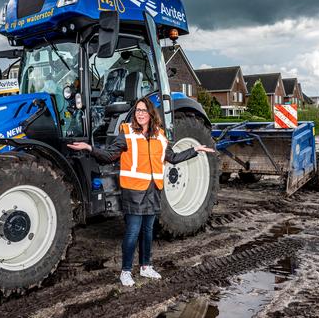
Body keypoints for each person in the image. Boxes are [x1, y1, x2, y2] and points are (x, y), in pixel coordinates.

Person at [67, 97, 215, 287]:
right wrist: (90, 148)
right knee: (132, 233)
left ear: (151, 114)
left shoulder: (160, 137)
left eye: (144, 110)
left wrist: (194, 150)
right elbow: (109, 156)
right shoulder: (127, 133)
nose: (140, 113)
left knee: (148, 232)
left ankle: (146, 266)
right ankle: (126, 271)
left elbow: (173, 157)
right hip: (134, 192)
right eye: (138, 110)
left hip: (153, 191)